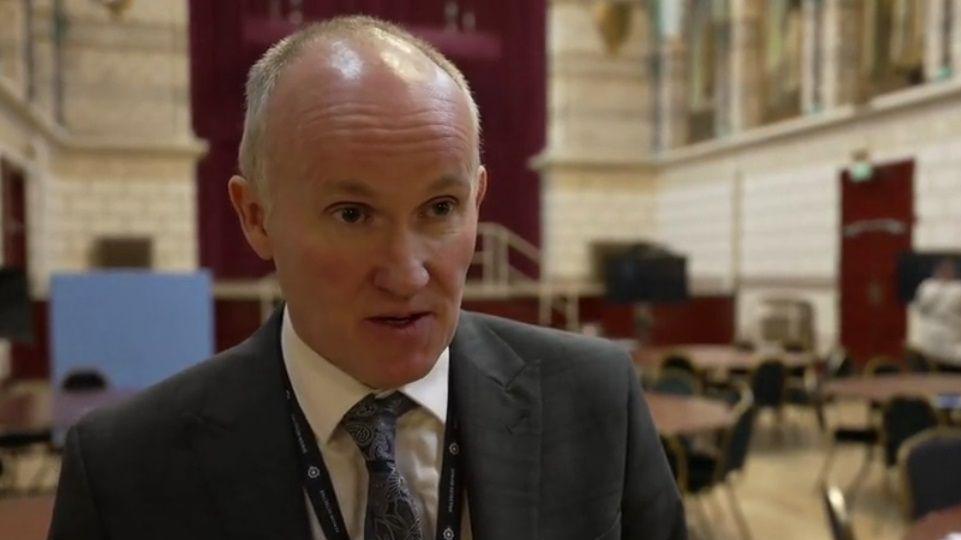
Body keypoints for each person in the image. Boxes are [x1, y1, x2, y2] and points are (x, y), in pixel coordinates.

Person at [48, 16, 685, 540]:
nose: (407, 274)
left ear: (478, 200)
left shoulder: (597, 400)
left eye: (440, 209)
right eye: (352, 214)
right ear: (256, 217)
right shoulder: (124, 470)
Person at [913, 258, 961, 372]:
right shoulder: (928, 287)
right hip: (934, 340)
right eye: (945, 269)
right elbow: (921, 307)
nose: (947, 272)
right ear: (938, 270)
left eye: (949, 270)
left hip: (952, 336)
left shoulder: (957, 288)